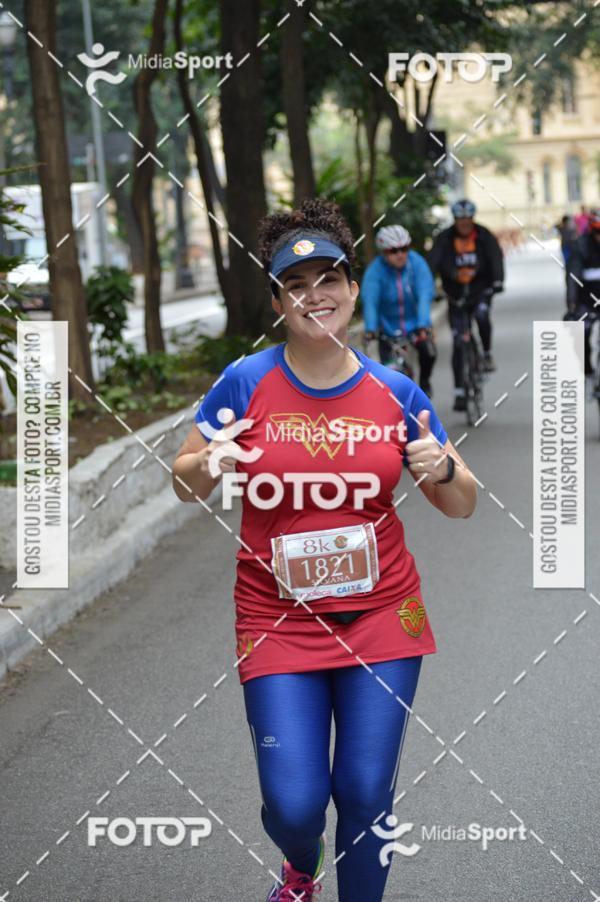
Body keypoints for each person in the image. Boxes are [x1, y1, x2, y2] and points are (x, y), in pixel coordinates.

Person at [172, 198, 477, 902]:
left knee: (367, 791)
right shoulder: (244, 383)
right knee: (296, 804)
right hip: (276, 622)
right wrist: (210, 462)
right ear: (277, 301)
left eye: (330, 279)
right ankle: (300, 865)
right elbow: (183, 483)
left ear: (350, 287)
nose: (317, 296)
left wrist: (445, 469)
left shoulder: (395, 392)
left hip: (381, 619)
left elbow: (462, 503)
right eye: (297, 285)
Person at [428, 199, 504, 411]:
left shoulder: (483, 235)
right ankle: (459, 390)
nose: (464, 223)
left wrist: (498, 281)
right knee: (458, 341)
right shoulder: (444, 238)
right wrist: (430, 288)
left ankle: (487, 353)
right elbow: (432, 262)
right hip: (455, 295)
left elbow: (495, 258)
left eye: (467, 219)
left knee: (481, 316)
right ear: (455, 220)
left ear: (472, 218)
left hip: (481, 290)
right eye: (460, 219)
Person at [361, 224, 437, 397]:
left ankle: (425, 382)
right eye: (394, 250)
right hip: (387, 330)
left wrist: (423, 323)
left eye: (404, 249)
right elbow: (370, 300)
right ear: (384, 252)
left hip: (416, 326)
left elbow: (424, 293)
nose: (400, 254)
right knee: (390, 379)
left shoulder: (416, 263)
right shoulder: (375, 271)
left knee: (429, 354)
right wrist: (371, 329)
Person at [566, 207, 600, 394]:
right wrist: (572, 304)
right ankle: (587, 371)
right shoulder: (581, 246)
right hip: (587, 300)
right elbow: (573, 277)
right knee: (583, 330)